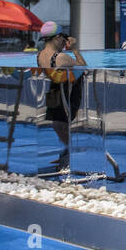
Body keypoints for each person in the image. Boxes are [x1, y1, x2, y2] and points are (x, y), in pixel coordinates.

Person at [36, 22, 85, 171]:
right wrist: (75, 50)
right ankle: (70, 154)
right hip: (68, 91)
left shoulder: (40, 56)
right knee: (63, 124)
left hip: (54, 90)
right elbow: (83, 67)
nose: (65, 41)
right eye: (64, 37)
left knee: (57, 124)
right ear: (57, 37)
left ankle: (65, 153)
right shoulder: (62, 57)